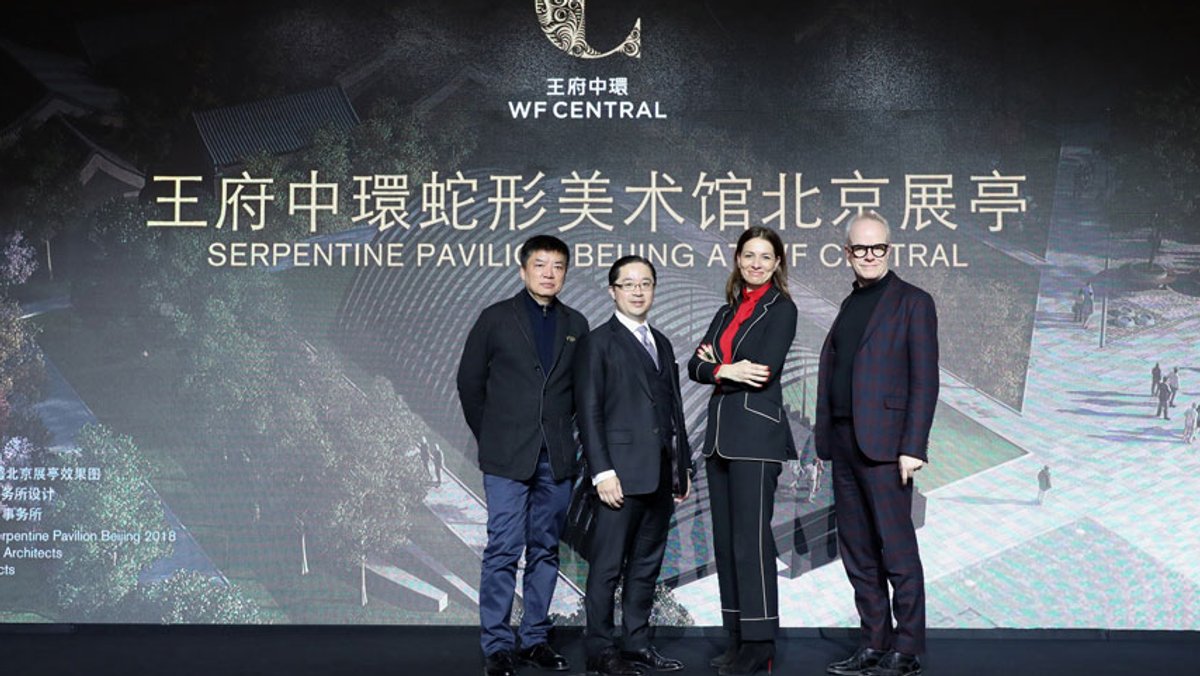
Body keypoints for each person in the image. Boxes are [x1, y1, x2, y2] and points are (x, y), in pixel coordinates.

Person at [456, 235, 590, 676]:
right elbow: (469, 383)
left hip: (556, 458)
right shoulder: (496, 318)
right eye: (540, 264)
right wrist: (491, 435)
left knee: (546, 550)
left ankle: (534, 638)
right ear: (522, 270)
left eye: (558, 266)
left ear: (566, 273)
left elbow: (582, 393)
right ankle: (497, 643)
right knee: (503, 549)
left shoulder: (577, 323)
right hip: (506, 457)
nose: (549, 273)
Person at [815, 211, 939, 676]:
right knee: (858, 552)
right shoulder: (851, 303)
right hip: (844, 443)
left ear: (890, 250)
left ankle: (906, 650)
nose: (869, 256)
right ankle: (873, 643)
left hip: (888, 449)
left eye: (877, 248)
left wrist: (914, 446)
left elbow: (924, 381)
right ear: (847, 253)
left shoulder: (914, 302)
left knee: (897, 550)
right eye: (860, 249)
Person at [575, 256, 692, 676]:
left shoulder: (660, 341)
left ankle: (636, 645)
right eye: (629, 284)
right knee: (606, 569)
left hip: (660, 476)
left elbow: (674, 410)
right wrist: (602, 472)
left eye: (646, 283)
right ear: (613, 291)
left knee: (646, 566)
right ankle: (601, 652)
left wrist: (683, 469)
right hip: (617, 478)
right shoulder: (597, 342)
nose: (638, 291)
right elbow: (588, 413)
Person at [688, 226, 798, 676]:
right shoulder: (725, 311)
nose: (755, 263)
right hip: (719, 439)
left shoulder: (782, 309)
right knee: (727, 543)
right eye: (748, 255)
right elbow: (695, 366)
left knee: (752, 541)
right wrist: (727, 368)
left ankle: (759, 642)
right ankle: (736, 637)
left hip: (756, 439)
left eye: (765, 257)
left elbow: (764, 371)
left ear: (776, 264)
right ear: (737, 260)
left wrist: (720, 367)